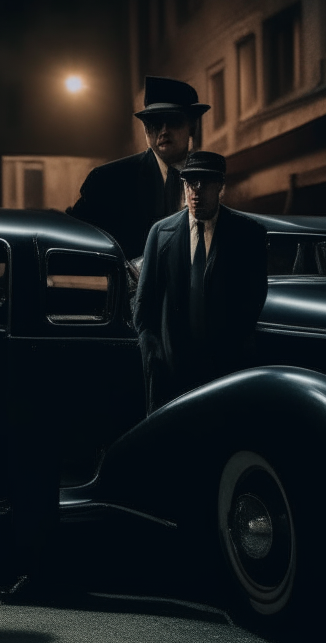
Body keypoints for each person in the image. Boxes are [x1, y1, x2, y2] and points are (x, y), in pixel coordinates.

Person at [133, 150, 268, 413]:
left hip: (224, 372)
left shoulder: (248, 234)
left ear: (220, 186)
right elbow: (143, 307)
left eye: (205, 182)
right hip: (172, 372)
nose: (196, 190)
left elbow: (252, 303)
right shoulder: (161, 233)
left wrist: (234, 356)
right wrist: (155, 355)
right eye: (189, 182)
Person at [68, 76, 210, 261]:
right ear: (145, 129)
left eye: (173, 120)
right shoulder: (108, 181)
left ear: (192, 126)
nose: (163, 130)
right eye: (154, 123)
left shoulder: (211, 178)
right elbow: (74, 243)